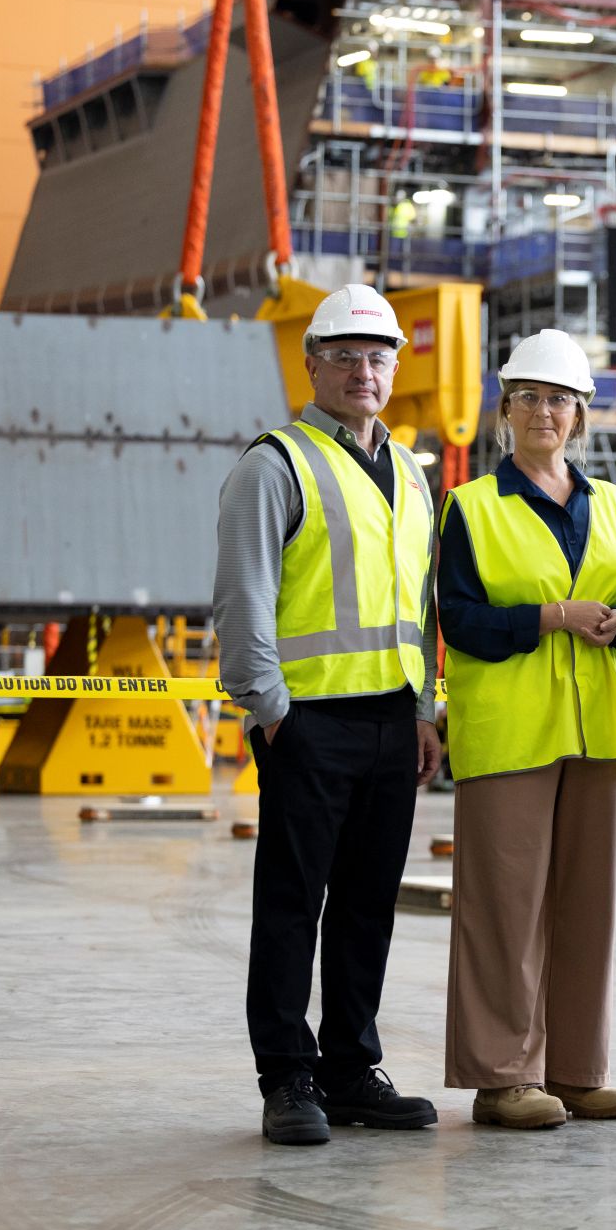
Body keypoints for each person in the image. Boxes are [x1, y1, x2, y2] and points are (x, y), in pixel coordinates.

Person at [213, 284, 443, 1145]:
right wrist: (272, 711)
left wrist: (425, 706)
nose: (363, 369)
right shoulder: (276, 463)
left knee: (366, 904)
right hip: (308, 722)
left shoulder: (414, 474)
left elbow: (417, 603)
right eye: (344, 354)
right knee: (291, 902)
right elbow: (244, 596)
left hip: (392, 720)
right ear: (310, 363)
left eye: (378, 354)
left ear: (395, 367)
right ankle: (287, 1075)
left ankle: (351, 1067)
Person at [437, 330, 616, 1129]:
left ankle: (573, 1067)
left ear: (580, 416)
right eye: (528, 396)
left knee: (586, 904)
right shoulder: (472, 507)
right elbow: (457, 618)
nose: (544, 411)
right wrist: (549, 617)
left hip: (597, 729)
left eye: (559, 398)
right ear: (506, 409)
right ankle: (503, 1074)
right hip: (510, 730)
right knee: (505, 905)